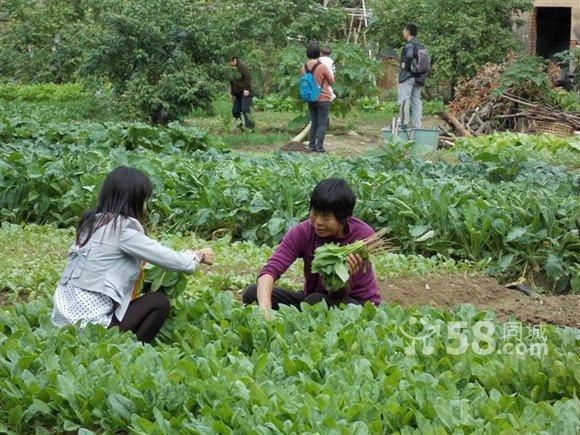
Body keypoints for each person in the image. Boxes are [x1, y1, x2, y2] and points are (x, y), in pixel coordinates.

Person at [51, 166, 215, 343]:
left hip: (63, 322)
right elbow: (172, 260)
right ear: (134, 200)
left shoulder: (90, 224)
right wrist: (197, 255)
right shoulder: (123, 230)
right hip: (92, 325)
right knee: (159, 302)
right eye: (145, 200)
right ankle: (128, 349)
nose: (146, 206)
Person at [242, 178, 382, 319]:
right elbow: (270, 270)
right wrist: (265, 310)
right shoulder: (303, 231)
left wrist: (344, 277)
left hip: (356, 303)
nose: (318, 222)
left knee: (314, 302)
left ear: (345, 219)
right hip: (313, 298)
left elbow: (338, 295)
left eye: (326, 218)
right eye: (315, 213)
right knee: (253, 293)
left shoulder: (363, 238)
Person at [301, 42, 335, 153]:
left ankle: (311, 145)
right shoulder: (322, 66)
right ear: (319, 53)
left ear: (307, 53)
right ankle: (319, 146)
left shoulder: (303, 67)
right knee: (322, 122)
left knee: (314, 121)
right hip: (323, 98)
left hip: (310, 98)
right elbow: (332, 81)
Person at [398, 23, 423, 130]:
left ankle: (403, 125)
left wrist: (405, 65)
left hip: (408, 77)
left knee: (404, 100)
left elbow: (408, 56)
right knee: (416, 101)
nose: (403, 32)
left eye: (404, 30)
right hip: (419, 77)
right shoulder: (421, 45)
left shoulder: (409, 45)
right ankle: (417, 126)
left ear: (408, 32)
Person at [229, 56, 255, 131]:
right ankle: (240, 126)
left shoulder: (242, 67)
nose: (229, 64)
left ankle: (250, 128)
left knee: (245, 110)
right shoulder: (232, 70)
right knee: (235, 110)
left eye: (230, 62)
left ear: (234, 60)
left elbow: (248, 78)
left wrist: (247, 89)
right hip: (238, 94)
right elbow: (232, 82)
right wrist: (232, 94)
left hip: (246, 93)